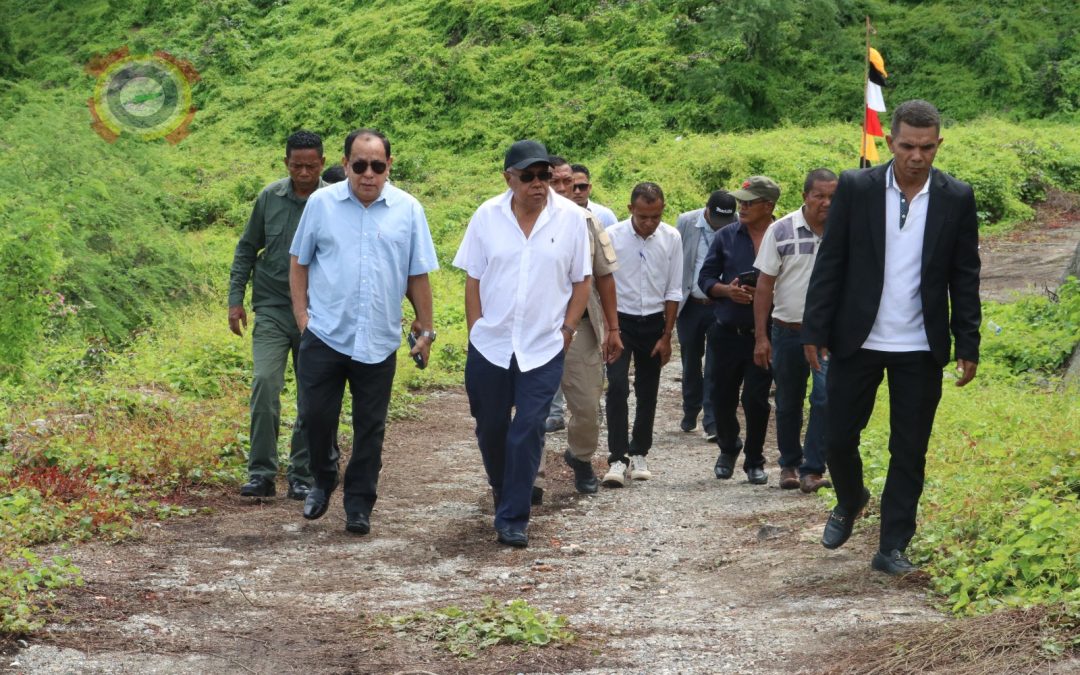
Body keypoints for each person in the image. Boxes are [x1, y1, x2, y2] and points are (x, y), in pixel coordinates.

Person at [802, 100, 981, 575]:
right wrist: (814, 329)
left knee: (909, 448)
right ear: (890, 142)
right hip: (857, 339)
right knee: (838, 437)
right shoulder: (857, 188)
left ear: (938, 144)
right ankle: (851, 496)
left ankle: (892, 546)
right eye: (907, 146)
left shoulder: (956, 197)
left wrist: (968, 342)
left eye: (926, 147)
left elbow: (965, 275)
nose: (917, 156)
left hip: (920, 345)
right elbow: (831, 262)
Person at [289, 128, 438, 535]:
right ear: (345, 165)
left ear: (389, 166)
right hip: (325, 334)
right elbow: (299, 262)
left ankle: (359, 504)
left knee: (370, 427)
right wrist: (303, 317)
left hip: (378, 338)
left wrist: (426, 329)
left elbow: (417, 274)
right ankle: (323, 477)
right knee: (314, 417)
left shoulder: (408, 210)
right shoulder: (321, 205)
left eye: (377, 166)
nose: (367, 174)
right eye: (359, 165)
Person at [453, 140, 592, 548]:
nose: (538, 184)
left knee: (528, 428)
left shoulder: (570, 219)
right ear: (508, 178)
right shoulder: (487, 216)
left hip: (544, 344)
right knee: (491, 428)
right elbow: (473, 278)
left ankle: (514, 516)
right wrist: (476, 327)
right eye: (528, 177)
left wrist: (567, 331)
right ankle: (504, 492)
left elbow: (580, 281)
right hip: (491, 343)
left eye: (544, 176)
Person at [229, 130, 326, 500]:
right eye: (297, 165)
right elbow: (246, 248)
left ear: (321, 163)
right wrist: (235, 299)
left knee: (311, 394)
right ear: (286, 163)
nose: (304, 173)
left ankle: (301, 473)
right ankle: (261, 473)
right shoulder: (269, 197)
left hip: (317, 312)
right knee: (266, 384)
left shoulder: (331, 201)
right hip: (271, 307)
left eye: (311, 166)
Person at [536, 156, 622, 497]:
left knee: (586, 405)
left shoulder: (587, 221)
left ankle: (580, 457)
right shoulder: (522, 219)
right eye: (553, 181)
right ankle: (533, 475)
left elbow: (604, 276)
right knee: (534, 407)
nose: (560, 189)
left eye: (566, 182)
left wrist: (613, 329)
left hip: (581, 327)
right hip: (535, 329)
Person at [752, 169, 838, 493]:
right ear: (805, 196)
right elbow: (764, 285)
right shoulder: (781, 230)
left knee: (825, 396)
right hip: (788, 330)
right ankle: (788, 463)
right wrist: (761, 337)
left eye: (832, 197)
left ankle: (813, 468)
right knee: (788, 400)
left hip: (829, 337)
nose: (826, 203)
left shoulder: (844, 230)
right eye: (820, 196)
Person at [699, 176, 780, 485]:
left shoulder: (782, 235)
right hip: (726, 330)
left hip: (766, 333)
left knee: (757, 399)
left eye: (749, 202)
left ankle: (755, 460)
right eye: (740, 202)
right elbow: (705, 278)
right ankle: (729, 446)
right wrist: (725, 290)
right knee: (721, 396)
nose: (741, 207)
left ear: (768, 206)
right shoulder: (726, 236)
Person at [602, 182, 682, 487]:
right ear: (630, 209)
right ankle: (617, 457)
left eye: (655, 217)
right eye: (643, 217)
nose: (649, 224)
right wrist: (610, 329)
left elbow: (674, 288)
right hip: (620, 320)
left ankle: (639, 452)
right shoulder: (612, 237)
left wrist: (667, 334)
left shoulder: (672, 237)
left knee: (648, 389)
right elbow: (603, 283)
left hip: (654, 322)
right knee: (618, 386)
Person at [675, 191, 738, 442]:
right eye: (715, 220)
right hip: (690, 303)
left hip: (720, 304)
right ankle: (690, 409)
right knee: (690, 359)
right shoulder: (686, 222)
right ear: (706, 210)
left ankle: (711, 420)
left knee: (716, 364)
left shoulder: (735, 225)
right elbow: (676, 258)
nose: (719, 226)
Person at [569, 164, 619, 228]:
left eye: (582, 187)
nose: (577, 191)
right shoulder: (559, 215)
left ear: (589, 188)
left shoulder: (605, 215)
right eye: (573, 187)